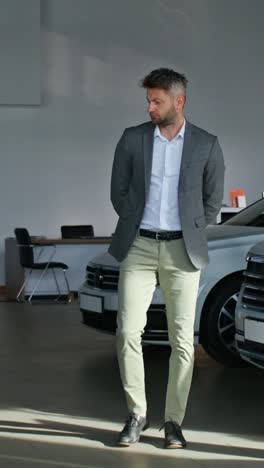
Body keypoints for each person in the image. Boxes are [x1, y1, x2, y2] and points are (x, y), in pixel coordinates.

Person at [108, 68, 225, 449]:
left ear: (180, 101)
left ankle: (173, 421)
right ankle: (136, 414)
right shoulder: (132, 139)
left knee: (182, 341)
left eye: (157, 100)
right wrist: (139, 221)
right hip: (138, 246)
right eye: (148, 100)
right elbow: (118, 192)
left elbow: (211, 205)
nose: (150, 107)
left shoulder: (206, 144)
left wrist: (186, 229)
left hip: (182, 250)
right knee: (128, 331)